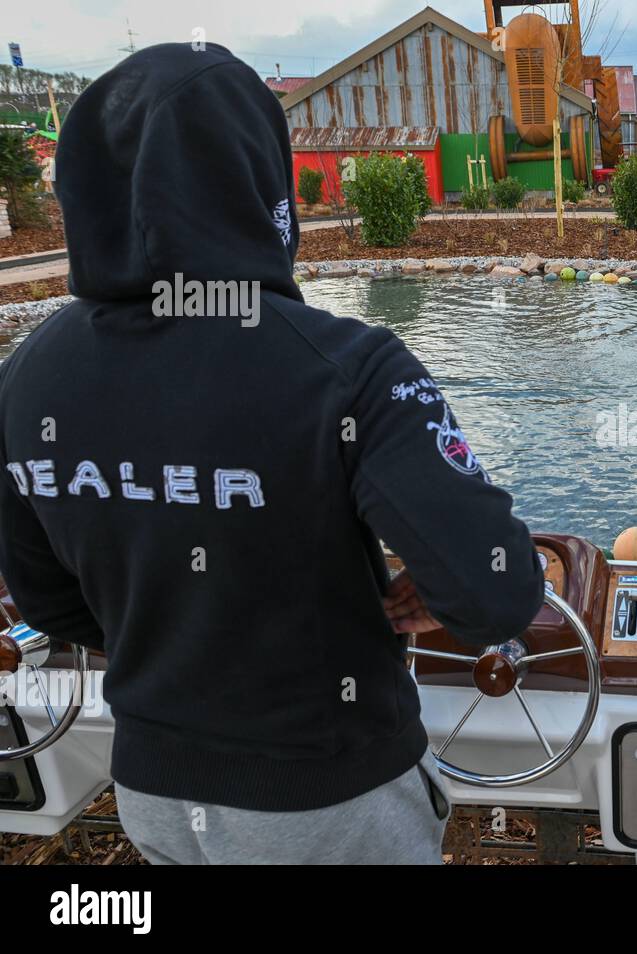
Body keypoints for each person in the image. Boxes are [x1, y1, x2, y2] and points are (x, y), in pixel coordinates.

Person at [0, 43, 546, 864]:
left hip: (155, 792)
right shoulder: (348, 369)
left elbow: (48, 599)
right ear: (259, 179)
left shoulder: (25, 380)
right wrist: (445, 599)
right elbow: (495, 586)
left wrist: (171, 631)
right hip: (330, 798)